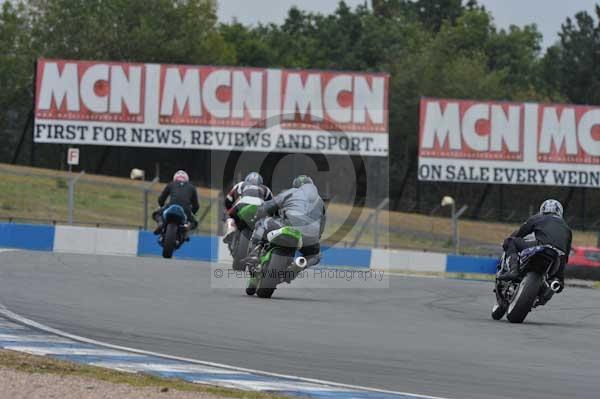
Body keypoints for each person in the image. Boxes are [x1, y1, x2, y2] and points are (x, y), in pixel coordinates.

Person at [244, 175, 326, 277]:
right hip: (311, 237)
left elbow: (270, 205)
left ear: (296, 185)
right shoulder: (320, 202)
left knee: (262, 223)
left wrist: (259, 213)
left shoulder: (292, 192)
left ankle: (254, 254)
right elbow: (322, 225)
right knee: (316, 256)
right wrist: (315, 237)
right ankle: (297, 267)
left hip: (289, 226)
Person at [497, 199, 572, 291]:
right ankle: (553, 284)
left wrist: (507, 243)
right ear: (560, 212)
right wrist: (560, 278)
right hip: (557, 257)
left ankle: (513, 270)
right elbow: (565, 255)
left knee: (511, 241)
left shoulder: (538, 217)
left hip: (542, 246)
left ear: (542, 210)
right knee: (556, 281)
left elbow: (520, 233)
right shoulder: (567, 228)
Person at [222, 172, 273, 243]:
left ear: (247, 179)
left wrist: (229, 209)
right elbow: (272, 204)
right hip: (260, 208)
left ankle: (231, 228)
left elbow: (228, 200)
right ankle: (262, 235)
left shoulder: (241, 184)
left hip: (242, 205)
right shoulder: (266, 189)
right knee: (265, 221)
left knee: (227, 214)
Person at [153, 170, 199, 234]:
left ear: (175, 178)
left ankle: (160, 223)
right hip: (185, 209)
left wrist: (161, 205)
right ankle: (187, 228)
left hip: (171, 205)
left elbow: (161, 199)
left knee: (156, 214)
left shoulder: (171, 184)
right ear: (186, 179)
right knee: (195, 223)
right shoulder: (192, 187)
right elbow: (196, 205)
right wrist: (192, 212)